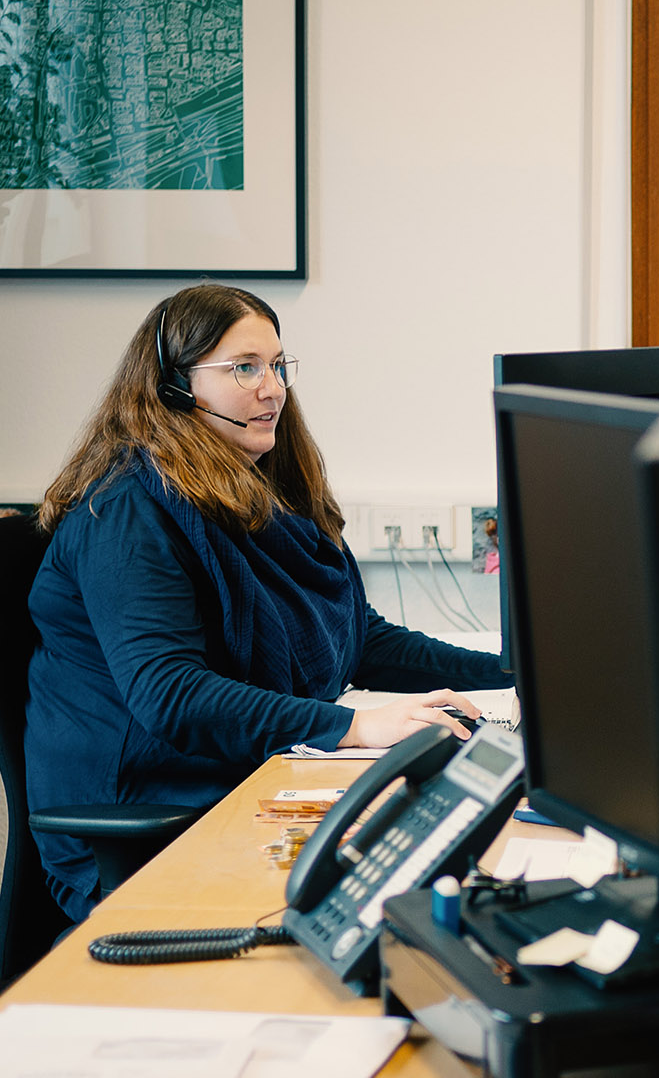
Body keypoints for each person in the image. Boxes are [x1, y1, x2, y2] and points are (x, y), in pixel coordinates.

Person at [26, 284, 513, 921]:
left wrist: (513, 671)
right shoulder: (126, 509)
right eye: (244, 368)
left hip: (239, 780)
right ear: (175, 386)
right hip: (148, 815)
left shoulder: (256, 490)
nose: (273, 388)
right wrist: (358, 728)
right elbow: (170, 694)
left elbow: (359, 641)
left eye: (278, 365)